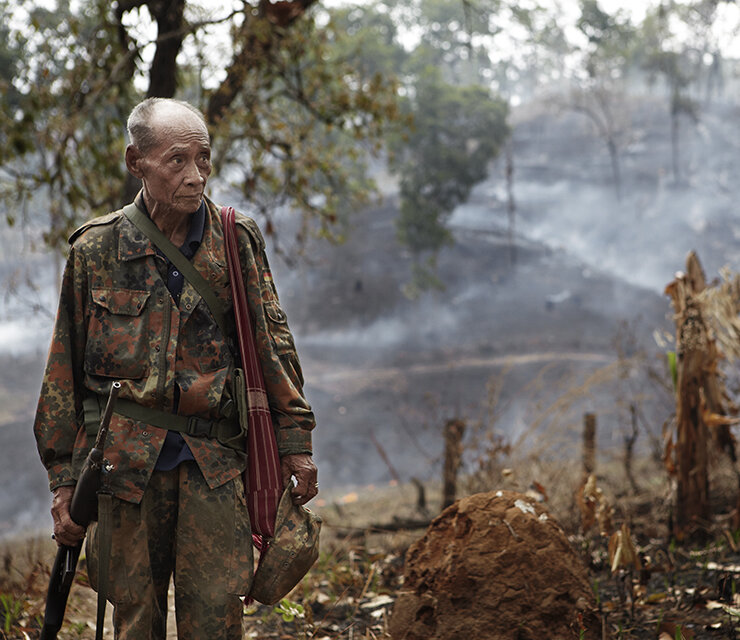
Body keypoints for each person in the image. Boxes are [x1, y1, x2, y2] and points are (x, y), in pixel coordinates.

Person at [33, 97, 318, 639]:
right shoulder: (96, 250)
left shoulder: (235, 240)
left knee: (215, 616)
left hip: (213, 464)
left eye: (204, 159)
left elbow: (273, 348)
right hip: (124, 470)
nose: (196, 176)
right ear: (135, 161)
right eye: (177, 160)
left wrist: (295, 442)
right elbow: (62, 374)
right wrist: (64, 480)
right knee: (136, 620)